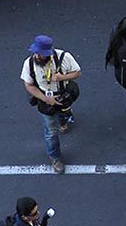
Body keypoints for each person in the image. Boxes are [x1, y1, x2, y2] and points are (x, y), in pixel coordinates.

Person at [20, 35, 81, 174]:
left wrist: (62, 77)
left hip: (64, 94)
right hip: (46, 99)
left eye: (40, 54)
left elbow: (77, 73)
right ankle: (55, 158)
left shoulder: (64, 57)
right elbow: (29, 85)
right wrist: (46, 99)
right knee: (51, 132)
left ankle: (64, 120)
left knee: (64, 112)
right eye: (35, 52)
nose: (37, 56)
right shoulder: (28, 63)